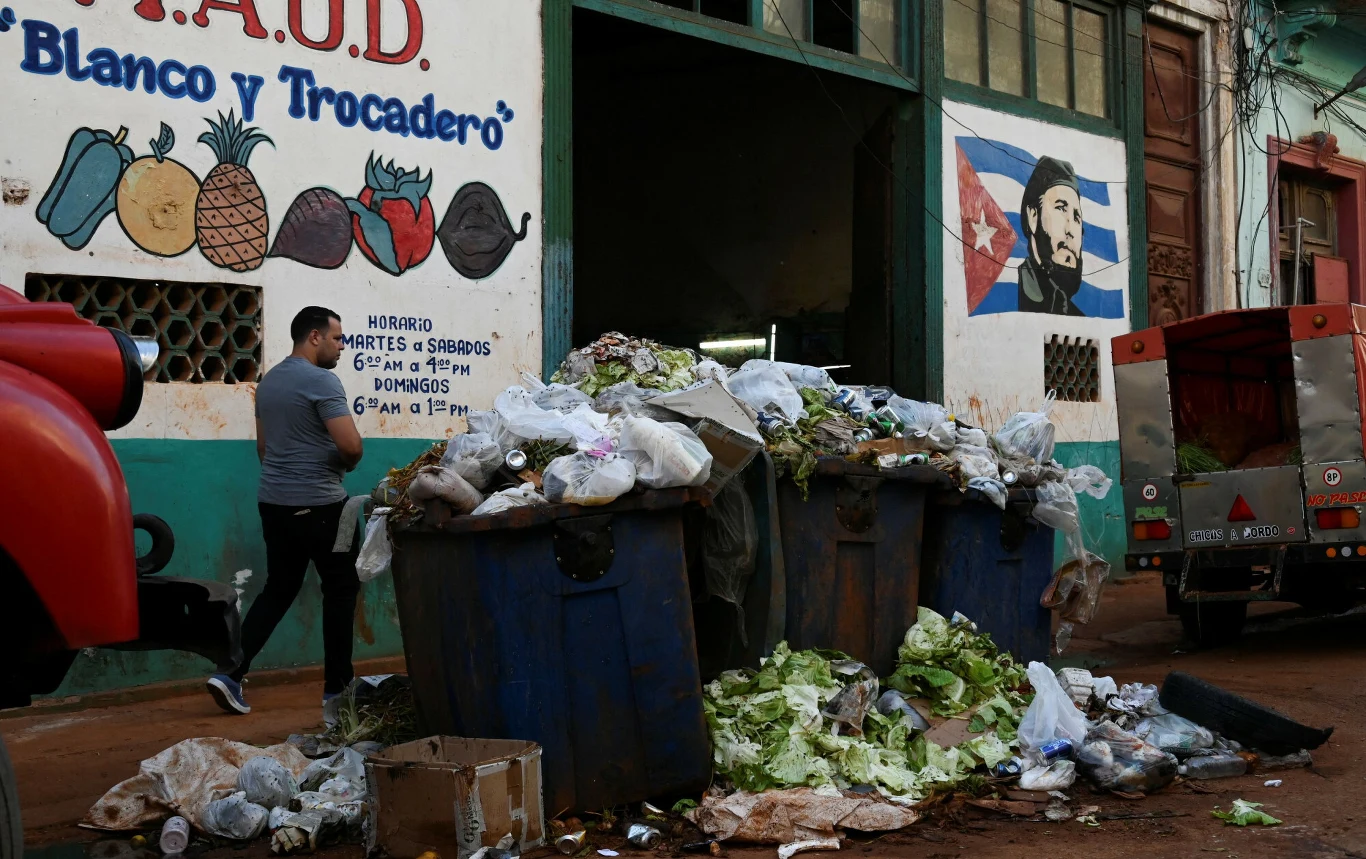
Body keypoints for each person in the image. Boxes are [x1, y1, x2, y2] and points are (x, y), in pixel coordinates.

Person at [207, 307, 364, 716]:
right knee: (341, 590)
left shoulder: (269, 382)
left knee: (278, 589)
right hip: (324, 506)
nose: (341, 346)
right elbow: (350, 447)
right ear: (314, 337)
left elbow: (264, 450)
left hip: (274, 505)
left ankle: (230, 674)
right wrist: (344, 464)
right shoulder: (322, 381)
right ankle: (337, 691)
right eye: (337, 338)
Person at [1017, 155, 1086, 316]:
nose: (1070, 230)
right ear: (1033, 217)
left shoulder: (1078, 317)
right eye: (1061, 208)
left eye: (1076, 217)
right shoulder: (1014, 294)